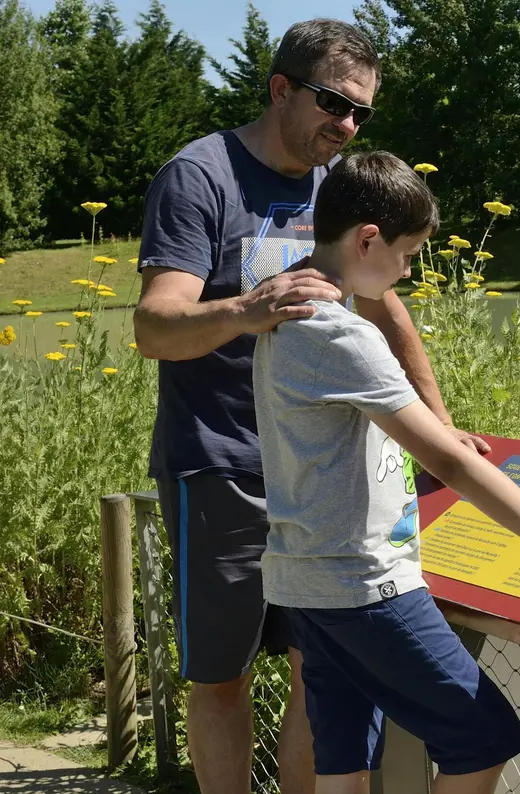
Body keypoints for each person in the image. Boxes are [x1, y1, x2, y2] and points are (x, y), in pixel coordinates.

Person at [132, 19, 486, 794]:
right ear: (281, 89)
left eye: (362, 112)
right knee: (219, 677)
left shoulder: (337, 186)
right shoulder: (202, 177)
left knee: (318, 670)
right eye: (334, 102)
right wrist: (249, 308)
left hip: (325, 476)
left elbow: (387, 307)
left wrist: (436, 421)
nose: (348, 124)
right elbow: (155, 327)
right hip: (221, 468)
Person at [252, 150, 520, 794]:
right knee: (485, 739)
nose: (406, 270)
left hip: (307, 581)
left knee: (342, 755)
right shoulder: (339, 331)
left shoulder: (286, 313)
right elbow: (448, 461)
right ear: (367, 238)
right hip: (364, 586)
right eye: (406, 254)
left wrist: (435, 425)